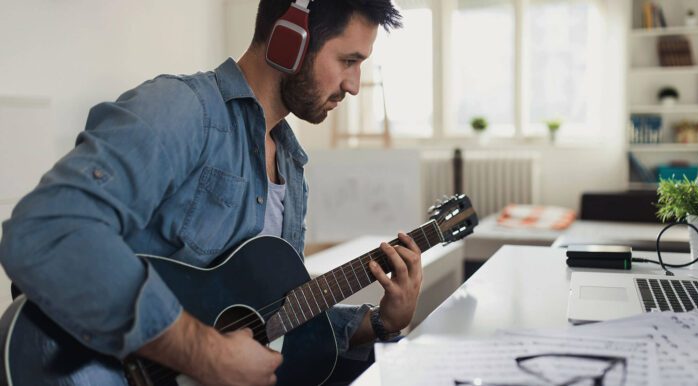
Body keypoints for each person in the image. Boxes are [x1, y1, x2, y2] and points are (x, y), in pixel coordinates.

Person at [0, 1, 422, 385]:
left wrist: (380, 323)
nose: (353, 85)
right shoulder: (182, 110)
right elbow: (46, 230)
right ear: (289, 39)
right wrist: (203, 353)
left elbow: (275, 313)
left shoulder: (292, 168)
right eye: (348, 60)